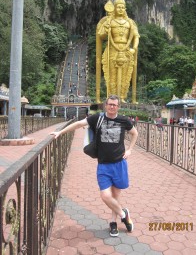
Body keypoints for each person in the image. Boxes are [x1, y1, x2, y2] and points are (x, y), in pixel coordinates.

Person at [50, 95, 138, 237]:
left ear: (118, 107)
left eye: (115, 105)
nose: (112, 107)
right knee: (105, 196)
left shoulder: (124, 120)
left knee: (115, 196)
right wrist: (60, 132)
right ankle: (124, 214)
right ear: (105, 105)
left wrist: (130, 149)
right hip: (103, 165)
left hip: (119, 163)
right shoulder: (97, 118)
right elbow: (79, 124)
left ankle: (113, 222)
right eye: (110, 104)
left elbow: (134, 133)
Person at [96, 0, 140, 104]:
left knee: (125, 76)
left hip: (126, 51)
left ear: (125, 8)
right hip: (112, 50)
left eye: (122, 7)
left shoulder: (130, 22)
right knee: (112, 75)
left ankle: (122, 97)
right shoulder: (109, 21)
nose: (120, 9)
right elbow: (101, 35)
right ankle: (111, 98)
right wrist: (106, 27)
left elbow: (136, 37)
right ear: (114, 8)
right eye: (118, 7)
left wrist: (133, 49)